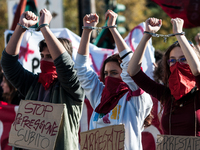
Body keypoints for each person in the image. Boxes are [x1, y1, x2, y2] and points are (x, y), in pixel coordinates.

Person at [1, 9, 85, 150]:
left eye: (50, 56)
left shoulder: (72, 88)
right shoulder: (33, 84)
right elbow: (8, 64)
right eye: (43, 56)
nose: (45, 60)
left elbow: (64, 65)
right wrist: (21, 27)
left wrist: (44, 27)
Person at [74, 10, 153, 150]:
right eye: (106, 73)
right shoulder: (100, 96)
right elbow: (81, 68)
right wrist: (86, 30)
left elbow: (131, 66)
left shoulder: (135, 99)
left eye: (114, 72)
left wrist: (113, 29)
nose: (109, 77)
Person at [127, 17, 200, 136]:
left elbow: (196, 71)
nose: (177, 64)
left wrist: (179, 35)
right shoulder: (166, 95)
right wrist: (147, 35)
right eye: (172, 60)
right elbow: (133, 71)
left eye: (183, 59)